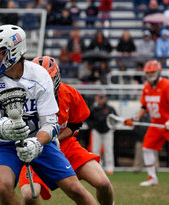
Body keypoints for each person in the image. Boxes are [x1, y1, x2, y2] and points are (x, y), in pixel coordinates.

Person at [0, 24, 97, 205]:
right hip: (3, 142)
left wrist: (37, 143)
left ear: (14, 51)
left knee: (75, 189)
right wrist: (0, 126)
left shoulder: (39, 75)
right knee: (2, 186)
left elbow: (51, 123)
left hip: (38, 142)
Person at [19, 56, 114, 205]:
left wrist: (56, 137)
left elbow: (75, 124)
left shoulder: (69, 93)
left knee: (103, 183)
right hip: (35, 150)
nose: (42, 85)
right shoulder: (22, 97)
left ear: (56, 78)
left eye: (46, 80)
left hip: (66, 145)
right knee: (29, 196)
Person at [124, 60, 169, 186]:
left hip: (167, 123)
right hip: (156, 124)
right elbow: (144, 107)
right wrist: (136, 118)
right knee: (147, 148)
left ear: (159, 71)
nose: (150, 75)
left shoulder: (166, 85)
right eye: (148, 73)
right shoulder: (147, 87)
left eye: (152, 72)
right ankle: (152, 177)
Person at [86, 93, 117, 175]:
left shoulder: (110, 108)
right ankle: (97, 168)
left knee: (108, 150)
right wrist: (92, 128)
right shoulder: (93, 109)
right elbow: (88, 119)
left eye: (102, 98)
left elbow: (115, 118)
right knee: (95, 150)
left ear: (105, 99)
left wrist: (112, 128)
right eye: (100, 98)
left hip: (108, 131)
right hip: (96, 131)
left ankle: (110, 168)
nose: (101, 99)